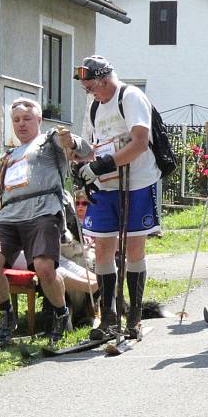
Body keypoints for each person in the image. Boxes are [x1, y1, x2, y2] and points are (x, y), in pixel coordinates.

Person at [0, 98, 92, 343]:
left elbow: (85, 152)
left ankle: (61, 313)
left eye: (27, 119)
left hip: (43, 210)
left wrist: (71, 141)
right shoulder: (7, 156)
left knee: (44, 268)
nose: (21, 124)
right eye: (16, 120)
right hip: (9, 215)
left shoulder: (49, 140)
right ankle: (7, 314)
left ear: (39, 120)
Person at [75, 55, 161, 340]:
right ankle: (109, 316)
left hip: (137, 180)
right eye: (87, 88)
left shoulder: (131, 96)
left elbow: (139, 142)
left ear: (104, 78)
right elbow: (96, 147)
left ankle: (133, 317)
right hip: (108, 183)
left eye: (91, 86)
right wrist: (83, 162)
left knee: (134, 249)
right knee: (102, 249)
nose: (90, 92)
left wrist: (103, 164)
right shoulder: (95, 106)